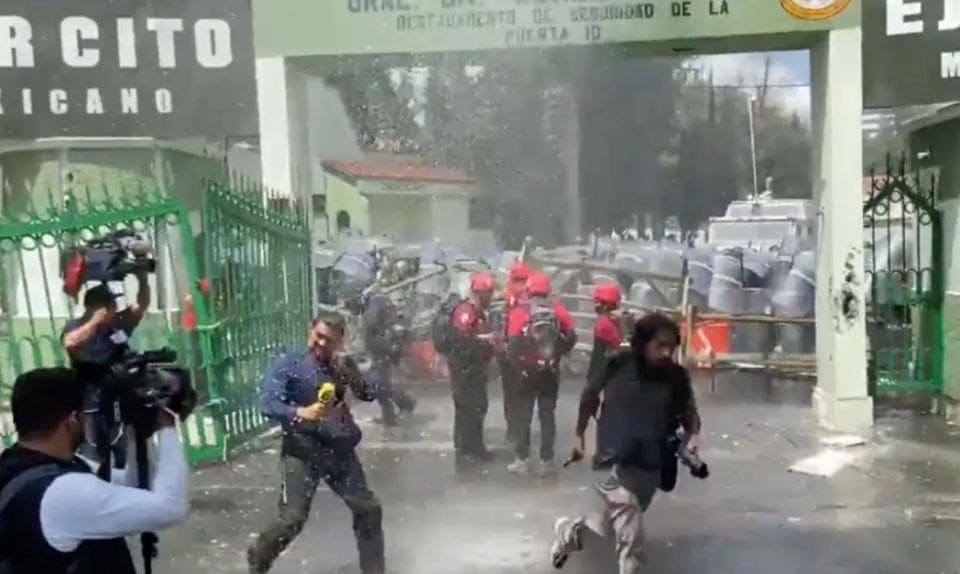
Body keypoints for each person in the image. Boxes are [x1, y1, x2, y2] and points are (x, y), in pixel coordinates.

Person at [550, 313, 701, 574]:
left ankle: (570, 533)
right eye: (659, 346)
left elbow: (689, 413)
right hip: (616, 458)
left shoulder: (675, 377)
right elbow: (589, 395)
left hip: (651, 466)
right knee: (631, 535)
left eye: (671, 347)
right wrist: (579, 434)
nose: (666, 353)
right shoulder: (618, 364)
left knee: (607, 526)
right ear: (643, 344)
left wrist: (694, 438)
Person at [0, 368, 188, 574]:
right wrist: (167, 425)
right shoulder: (62, 491)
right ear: (70, 421)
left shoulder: (18, 466)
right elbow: (171, 507)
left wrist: (138, 430)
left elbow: (132, 488)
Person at [248, 314, 385, 574]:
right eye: (318, 336)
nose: (321, 343)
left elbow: (368, 393)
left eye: (329, 340)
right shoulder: (291, 362)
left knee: (368, 509)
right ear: (310, 331)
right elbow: (268, 403)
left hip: (337, 448)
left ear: (339, 341)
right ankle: (259, 555)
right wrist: (300, 412)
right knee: (292, 520)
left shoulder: (341, 364)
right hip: (302, 448)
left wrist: (357, 371)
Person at [62, 278, 150, 470]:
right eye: (111, 304)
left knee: (123, 456)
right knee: (93, 457)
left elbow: (141, 306)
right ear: (98, 308)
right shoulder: (77, 326)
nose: (115, 308)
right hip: (91, 404)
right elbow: (70, 342)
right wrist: (94, 322)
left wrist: (142, 274)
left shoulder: (117, 325)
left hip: (120, 401)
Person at [505, 272, 576, 477]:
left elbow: (512, 345)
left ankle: (522, 459)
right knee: (547, 416)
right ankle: (547, 461)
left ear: (529, 290)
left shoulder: (520, 311)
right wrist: (555, 355)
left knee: (524, 416)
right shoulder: (558, 310)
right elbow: (571, 337)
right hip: (550, 372)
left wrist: (520, 367)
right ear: (547, 290)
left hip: (526, 373)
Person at [448, 272, 497, 465]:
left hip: (474, 367)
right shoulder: (466, 311)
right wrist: (482, 340)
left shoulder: (478, 312)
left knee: (474, 407)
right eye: (487, 293)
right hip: (464, 369)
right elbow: (462, 338)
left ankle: (467, 446)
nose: (490, 297)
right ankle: (471, 448)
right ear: (477, 293)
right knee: (471, 407)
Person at [362, 290, 416, 426]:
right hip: (379, 353)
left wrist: (392, 345)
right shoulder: (375, 316)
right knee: (381, 385)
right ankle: (396, 409)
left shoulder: (386, 318)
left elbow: (400, 335)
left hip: (384, 354)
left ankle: (399, 407)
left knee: (382, 385)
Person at [588, 282, 624, 471]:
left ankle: (605, 453)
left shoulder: (604, 323)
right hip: (615, 374)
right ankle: (608, 452)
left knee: (607, 414)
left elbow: (602, 354)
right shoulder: (612, 322)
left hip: (608, 373)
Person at [498, 261, 530, 448]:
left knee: (512, 394)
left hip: (511, 351)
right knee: (521, 394)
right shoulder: (532, 296)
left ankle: (514, 432)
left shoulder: (507, 297)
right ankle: (518, 431)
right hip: (524, 354)